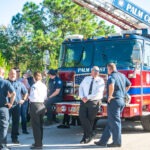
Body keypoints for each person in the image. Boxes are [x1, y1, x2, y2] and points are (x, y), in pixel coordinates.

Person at [94, 63, 131, 147]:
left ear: (109, 69)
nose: (107, 71)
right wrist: (123, 93)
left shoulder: (112, 76)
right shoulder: (122, 75)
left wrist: (110, 96)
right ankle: (103, 141)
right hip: (121, 101)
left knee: (115, 122)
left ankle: (117, 142)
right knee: (111, 121)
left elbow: (111, 85)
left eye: (107, 69)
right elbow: (129, 84)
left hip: (114, 101)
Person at [79, 66, 105, 144]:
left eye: (97, 71)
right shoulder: (86, 79)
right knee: (82, 117)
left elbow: (98, 92)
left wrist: (88, 97)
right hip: (84, 101)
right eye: (94, 70)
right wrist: (82, 97)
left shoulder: (101, 80)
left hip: (94, 101)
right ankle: (91, 133)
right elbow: (81, 88)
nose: (96, 72)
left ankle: (86, 137)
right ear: (91, 72)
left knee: (90, 119)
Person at [8, 69, 28, 144]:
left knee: (16, 122)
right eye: (11, 73)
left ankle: (14, 138)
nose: (13, 75)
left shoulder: (20, 84)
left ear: (16, 75)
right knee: (5, 123)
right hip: (7, 106)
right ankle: (2, 139)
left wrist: (23, 99)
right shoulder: (5, 83)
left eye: (14, 74)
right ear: (8, 74)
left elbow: (26, 92)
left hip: (16, 106)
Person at [29, 72, 47, 149]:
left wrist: (28, 97)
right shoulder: (44, 86)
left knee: (35, 125)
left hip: (35, 105)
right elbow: (45, 97)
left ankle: (38, 144)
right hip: (42, 105)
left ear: (34, 78)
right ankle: (39, 142)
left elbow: (33, 97)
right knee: (40, 125)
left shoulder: (34, 86)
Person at [0, 67, 16, 150]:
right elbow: (13, 93)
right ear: (3, 74)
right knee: (3, 127)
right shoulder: (5, 82)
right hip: (3, 108)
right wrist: (11, 103)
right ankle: (3, 146)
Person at [16, 69, 30, 134]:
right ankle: (16, 130)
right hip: (16, 101)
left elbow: (28, 89)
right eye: (16, 71)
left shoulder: (23, 80)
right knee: (16, 116)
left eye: (19, 71)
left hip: (24, 100)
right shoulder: (11, 80)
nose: (18, 72)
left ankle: (24, 130)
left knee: (23, 116)